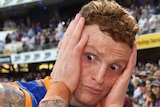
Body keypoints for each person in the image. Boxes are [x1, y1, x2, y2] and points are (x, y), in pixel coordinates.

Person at [0, 0, 140, 107]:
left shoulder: (118, 102)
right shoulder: (18, 97)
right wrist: (61, 88)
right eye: (90, 57)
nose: (99, 78)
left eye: (114, 67)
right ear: (64, 45)